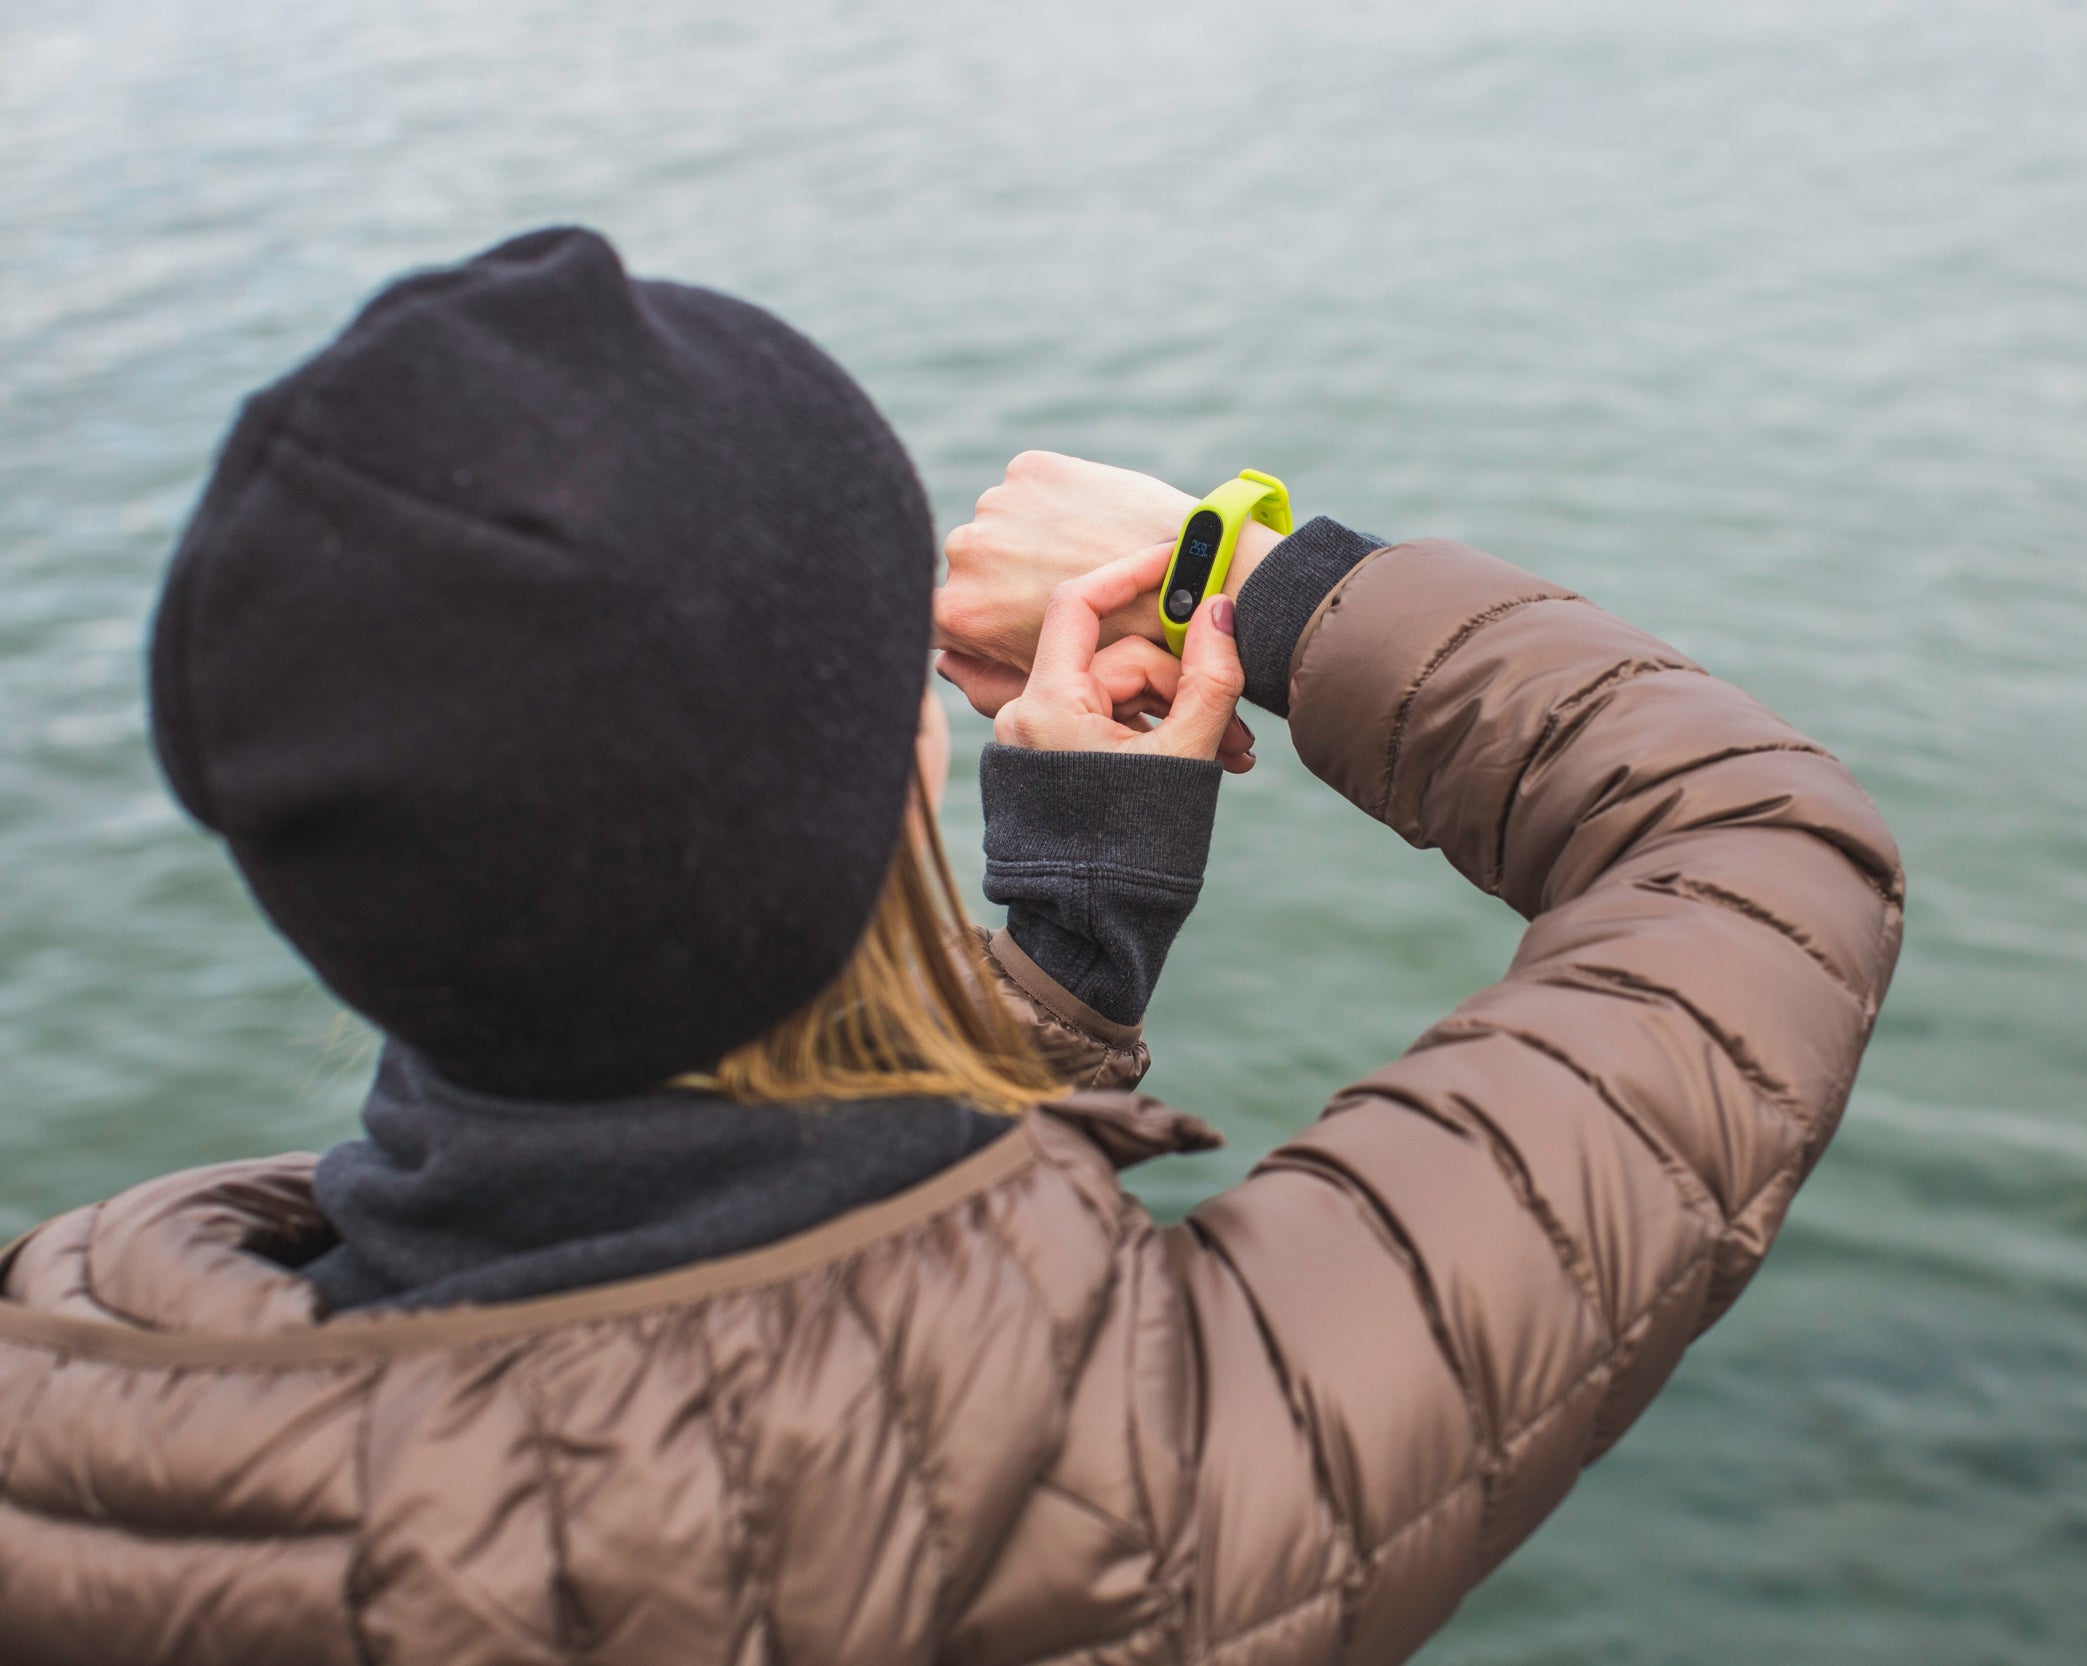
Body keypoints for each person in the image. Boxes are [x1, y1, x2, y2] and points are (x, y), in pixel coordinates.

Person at [0, 228, 1905, 1666]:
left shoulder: (71, 1391)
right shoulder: (1146, 1472)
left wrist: (1072, 945)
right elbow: (1754, 844)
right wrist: (1254, 580)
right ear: (912, 756)